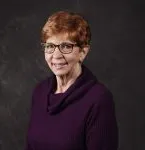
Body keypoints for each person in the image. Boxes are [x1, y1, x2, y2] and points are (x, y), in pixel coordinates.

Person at [25, 11, 118, 150]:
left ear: (83, 52)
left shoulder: (99, 99)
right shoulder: (40, 92)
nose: (56, 55)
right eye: (50, 46)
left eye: (66, 46)